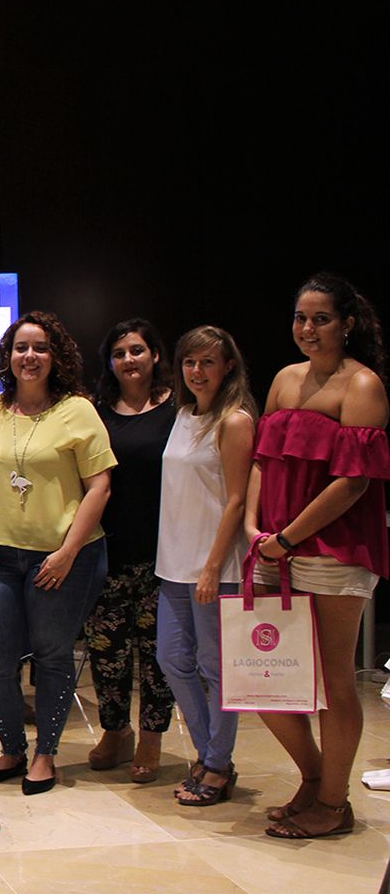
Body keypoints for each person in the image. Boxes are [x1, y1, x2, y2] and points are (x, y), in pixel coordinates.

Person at [248, 273, 389, 839]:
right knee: (264, 676)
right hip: (273, 546)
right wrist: (259, 529)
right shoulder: (284, 379)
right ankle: (313, 780)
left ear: (347, 323)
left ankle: (333, 803)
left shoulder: (363, 385)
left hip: (331, 549)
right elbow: (261, 459)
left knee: (332, 682)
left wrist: (289, 539)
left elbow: (353, 482)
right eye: (301, 318)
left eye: (321, 319)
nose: (308, 329)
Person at [0, 311, 115, 794]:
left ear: (57, 356)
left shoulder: (77, 410)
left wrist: (69, 552)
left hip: (60, 558)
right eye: (21, 348)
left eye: (41, 348)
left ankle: (45, 755)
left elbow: (100, 487)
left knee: (52, 656)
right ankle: (11, 750)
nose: (30, 357)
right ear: (8, 356)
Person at [156, 326, 255, 806]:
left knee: (217, 668)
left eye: (208, 363)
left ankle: (216, 765)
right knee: (171, 658)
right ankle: (208, 752)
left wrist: (214, 566)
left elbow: (237, 500)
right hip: (173, 563)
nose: (197, 371)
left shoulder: (234, 421)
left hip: (216, 565)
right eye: (190, 362)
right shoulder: (181, 414)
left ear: (228, 366)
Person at [84, 319, 178, 783]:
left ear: (155, 355)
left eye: (137, 350)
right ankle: (115, 731)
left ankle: (152, 736)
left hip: (166, 554)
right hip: (108, 551)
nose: (128, 360)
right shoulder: (97, 412)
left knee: (159, 654)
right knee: (108, 650)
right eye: (119, 353)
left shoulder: (179, 410)